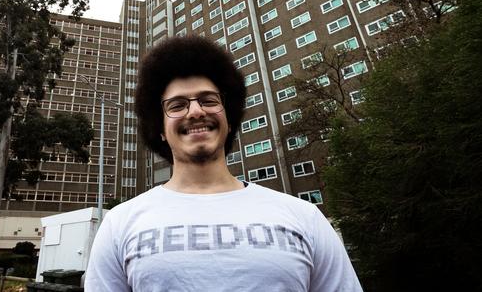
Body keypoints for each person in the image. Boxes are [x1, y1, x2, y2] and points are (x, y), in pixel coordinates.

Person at [85, 36, 362, 291]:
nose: (195, 111)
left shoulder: (305, 218)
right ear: (159, 128)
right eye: (177, 105)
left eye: (208, 100)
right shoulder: (119, 224)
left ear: (229, 120)